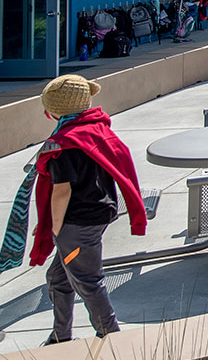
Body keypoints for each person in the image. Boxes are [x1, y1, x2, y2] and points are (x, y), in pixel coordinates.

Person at [30, 74, 146, 345]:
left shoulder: (63, 145)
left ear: (54, 110)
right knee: (58, 278)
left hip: (76, 223)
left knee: (87, 281)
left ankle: (111, 336)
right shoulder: (94, 128)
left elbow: (62, 191)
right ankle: (60, 336)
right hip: (97, 213)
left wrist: (54, 228)